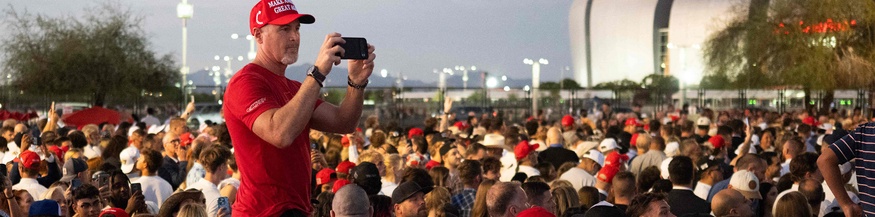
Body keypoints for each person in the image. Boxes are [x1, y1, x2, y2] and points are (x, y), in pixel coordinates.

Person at [223, 0, 376, 215]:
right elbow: (280, 133)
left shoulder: (295, 88)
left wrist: (356, 82)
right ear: (258, 36)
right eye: (284, 29)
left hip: (296, 208)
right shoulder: (245, 82)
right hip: (261, 211)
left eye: (297, 28)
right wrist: (317, 73)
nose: (294, 37)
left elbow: (344, 122)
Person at [186, 145, 231, 217]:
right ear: (221, 167)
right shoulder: (216, 200)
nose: (227, 169)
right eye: (226, 165)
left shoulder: (189, 189)